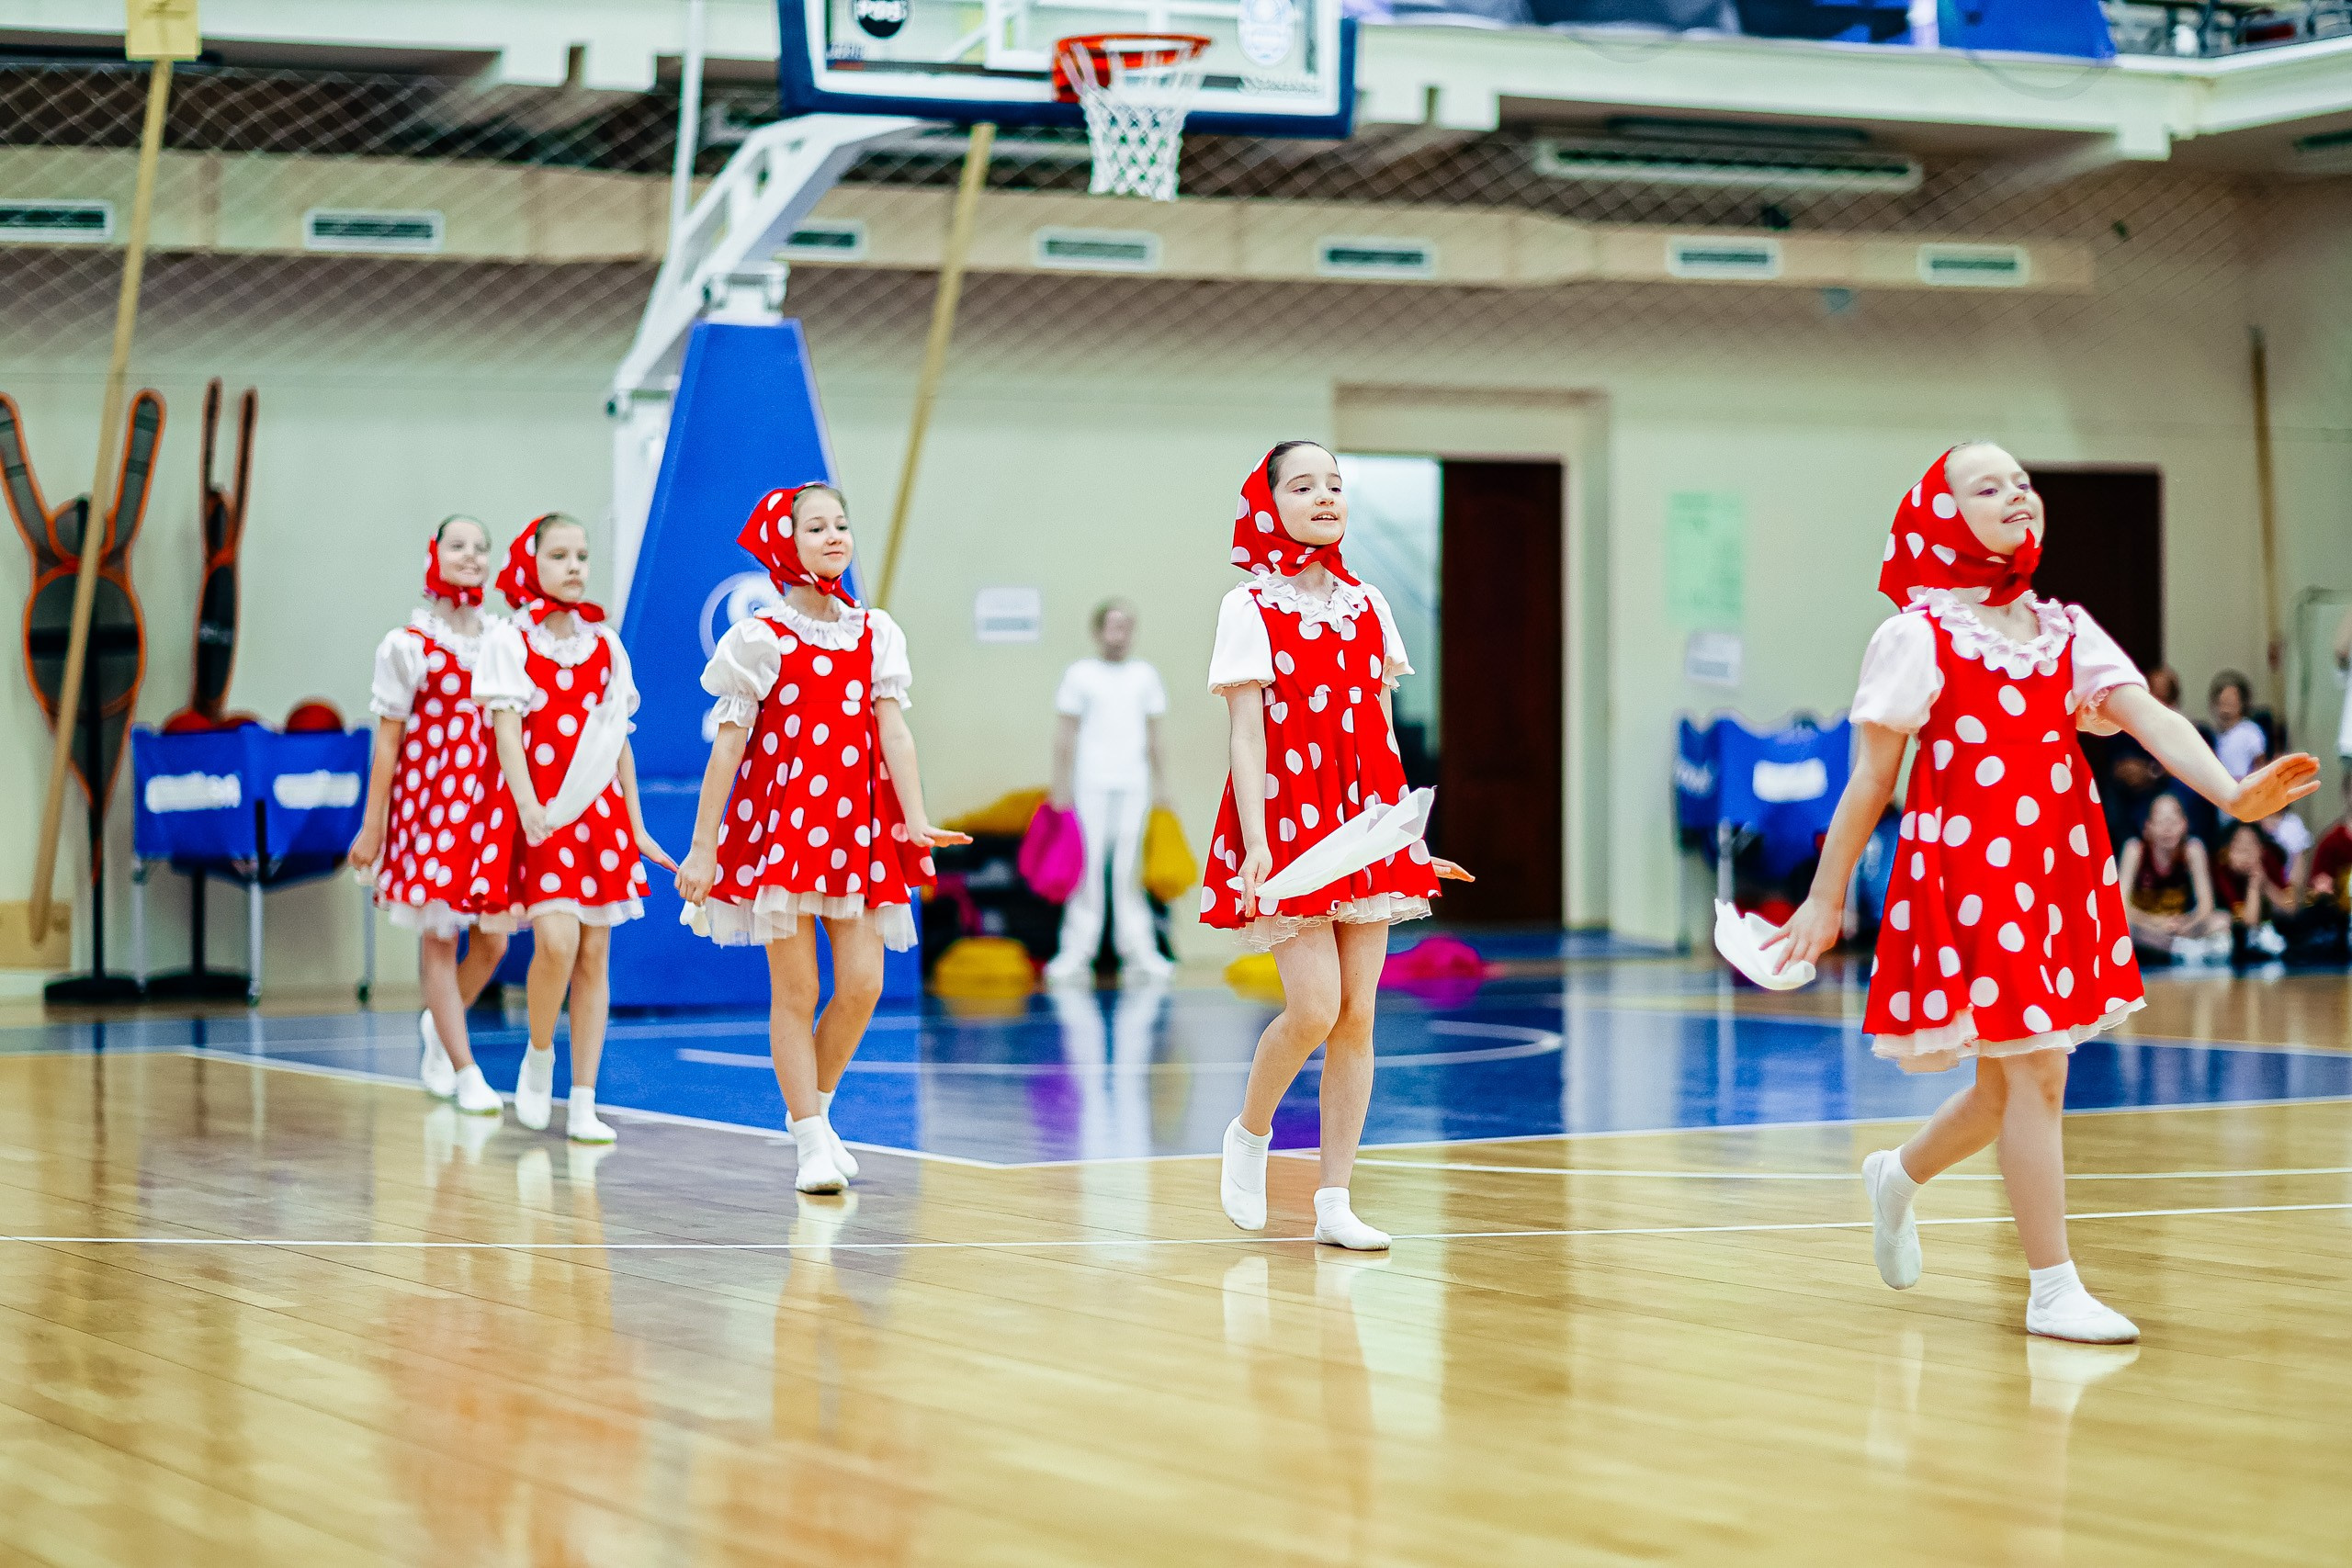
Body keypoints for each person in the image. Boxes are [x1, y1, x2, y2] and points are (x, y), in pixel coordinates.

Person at [1765, 444, 2317, 1343]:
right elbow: (1870, 779)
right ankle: (2052, 1286)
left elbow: (2148, 714)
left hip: (2053, 874)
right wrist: (1826, 899)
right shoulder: (1920, 634)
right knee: (2036, 1077)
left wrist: (2228, 792)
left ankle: (1896, 1178)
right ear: (1944, 517)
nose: (2015, 494)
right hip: (1968, 877)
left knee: (2006, 1088)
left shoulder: (2065, 629)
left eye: (2022, 481)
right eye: (1987, 486)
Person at [1204, 441, 1474, 1251]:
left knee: (1359, 1014)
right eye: (1303, 484)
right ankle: (1250, 1133)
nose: (1324, 496)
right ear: (1271, 502)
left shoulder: (1369, 604)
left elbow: (1382, 737)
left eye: (1334, 484)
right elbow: (1246, 735)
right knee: (1315, 1006)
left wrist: (1407, 841)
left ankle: (1334, 1198)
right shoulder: (1248, 606)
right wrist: (1256, 843)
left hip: (1365, 822)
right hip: (1288, 822)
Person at [673, 484, 967, 1193]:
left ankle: (818, 1112)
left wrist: (916, 815)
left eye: (841, 523)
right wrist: (704, 846)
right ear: (786, 542)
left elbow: (893, 730)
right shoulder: (761, 639)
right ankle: (809, 1138)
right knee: (798, 988)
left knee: (865, 982)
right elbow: (727, 750)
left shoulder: (874, 632)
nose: (835, 535)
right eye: (816, 526)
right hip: (785, 832)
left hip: (858, 830)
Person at [475, 514, 673, 1144]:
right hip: (548, 813)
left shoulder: (606, 647)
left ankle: (584, 1098)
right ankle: (539, 1055)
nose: (574, 566)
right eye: (559, 554)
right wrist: (529, 807)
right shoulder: (511, 641)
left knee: (594, 953)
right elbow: (507, 732)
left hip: (602, 817)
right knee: (555, 941)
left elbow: (619, 744)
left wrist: (637, 826)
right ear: (530, 561)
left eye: (581, 555)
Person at [352, 516, 511, 1117]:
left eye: (480, 546)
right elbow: (388, 742)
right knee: (439, 937)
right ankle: (466, 1067)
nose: (470, 555)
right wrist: (374, 826)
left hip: (487, 809)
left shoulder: (501, 639)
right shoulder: (408, 646)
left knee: (493, 943)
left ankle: (440, 1026)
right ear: (435, 555)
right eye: (458, 544)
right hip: (430, 808)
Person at [1045, 599, 1173, 987]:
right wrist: (1060, 786)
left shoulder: (1144, 676)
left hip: (1133, 783)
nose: (1120, 634)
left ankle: (1139, 951)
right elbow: (1065, 734)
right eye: (1113, 626)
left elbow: (1154, 737)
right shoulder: (1080, 675)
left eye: (1126, 626)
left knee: (1126, 870)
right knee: (1088, 868)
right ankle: (1075, 952)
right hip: (1091, 782)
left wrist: (1163, 786)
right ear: (1098, 630)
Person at [2116, 792, 2226, 961]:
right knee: (2121, 928)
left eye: (2173, 822)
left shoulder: (2192, 849)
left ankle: (2176, 947)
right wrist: (2155, 922)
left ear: (2185, 825)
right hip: (2146, 926)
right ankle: (2179, 949)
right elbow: (2120, 907)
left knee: (2222, 921)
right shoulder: (2135, 849)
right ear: (2147, 828)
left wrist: (2186, 923)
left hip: (2179, 926)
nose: (2167, 829)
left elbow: (2206, 906)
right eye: (2160, 822)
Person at [2207, 670, 2267, 781]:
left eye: (2230, 704)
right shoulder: (2215, 736)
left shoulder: (2250, 731)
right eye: (2222, 704)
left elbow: (2260, 765)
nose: (2226, 710)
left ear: (2242, 704)